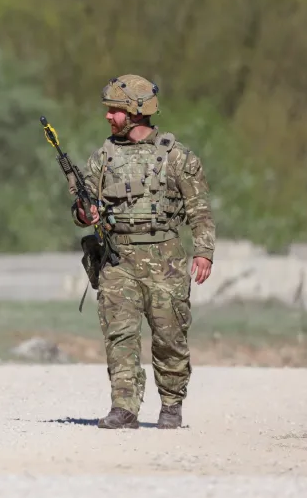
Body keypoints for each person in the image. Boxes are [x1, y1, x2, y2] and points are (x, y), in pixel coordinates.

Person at [72, 74, 215, 430]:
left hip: (164, 258)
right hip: (117, 258)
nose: (108, 117)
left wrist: (204, 252)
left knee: (170, 336)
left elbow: (199, 211)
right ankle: (124, 407)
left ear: (135, 112)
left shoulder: (177, 157)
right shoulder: (103, 158)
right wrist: (83, 212)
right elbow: (83, 205)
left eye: (114, 111)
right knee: (119, 335)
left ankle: (171, 404)